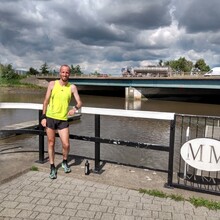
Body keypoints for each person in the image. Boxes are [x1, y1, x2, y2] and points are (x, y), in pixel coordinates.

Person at [41, 64, 82, 179]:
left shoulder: (72, 87)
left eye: (67, 72)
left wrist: (74, 109)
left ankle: (64, 161)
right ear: (60, 73)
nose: (65, 74)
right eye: (63, 72)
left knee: (66, 144)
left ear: (69, 74)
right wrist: (43, 117)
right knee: (51, 143)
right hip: (50, 117)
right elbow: (45, 101)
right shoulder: (52, 84)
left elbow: (79, 102)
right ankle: (52, 166)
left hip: (63, 119)